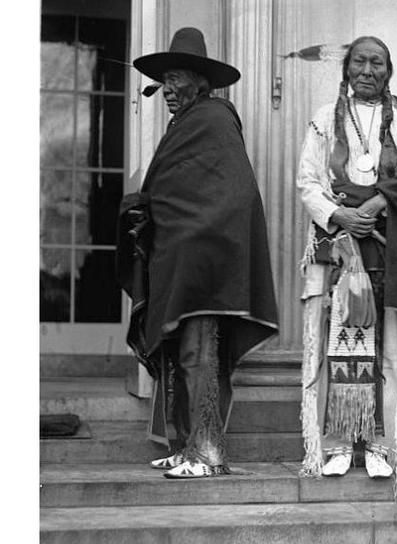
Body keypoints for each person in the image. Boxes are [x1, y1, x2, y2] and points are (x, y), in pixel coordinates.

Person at [116, 28, 279, 479]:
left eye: (176, 78)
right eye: (164, 80)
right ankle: (186, 443)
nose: (167, 89)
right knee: (176, 355)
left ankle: (207, 451)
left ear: (200, 81)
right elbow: (177, 189)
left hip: (207, 264)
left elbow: (231, 196)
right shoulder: (185, 123)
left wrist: (179, 224)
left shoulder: (214, 118)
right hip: (179, 257)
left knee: (198, 353)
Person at [296, 36, 397, 498]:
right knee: (337, 343)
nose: (368, 70)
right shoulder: (326, 119)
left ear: (389, 70)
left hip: (390, 244)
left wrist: (381, 202)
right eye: (360, 61)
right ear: (347, 68)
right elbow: (308, 180)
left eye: (377, 63)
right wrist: (339, 215)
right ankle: (339, 442)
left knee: (387, 346)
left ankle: (382, 445)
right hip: (338, 246)